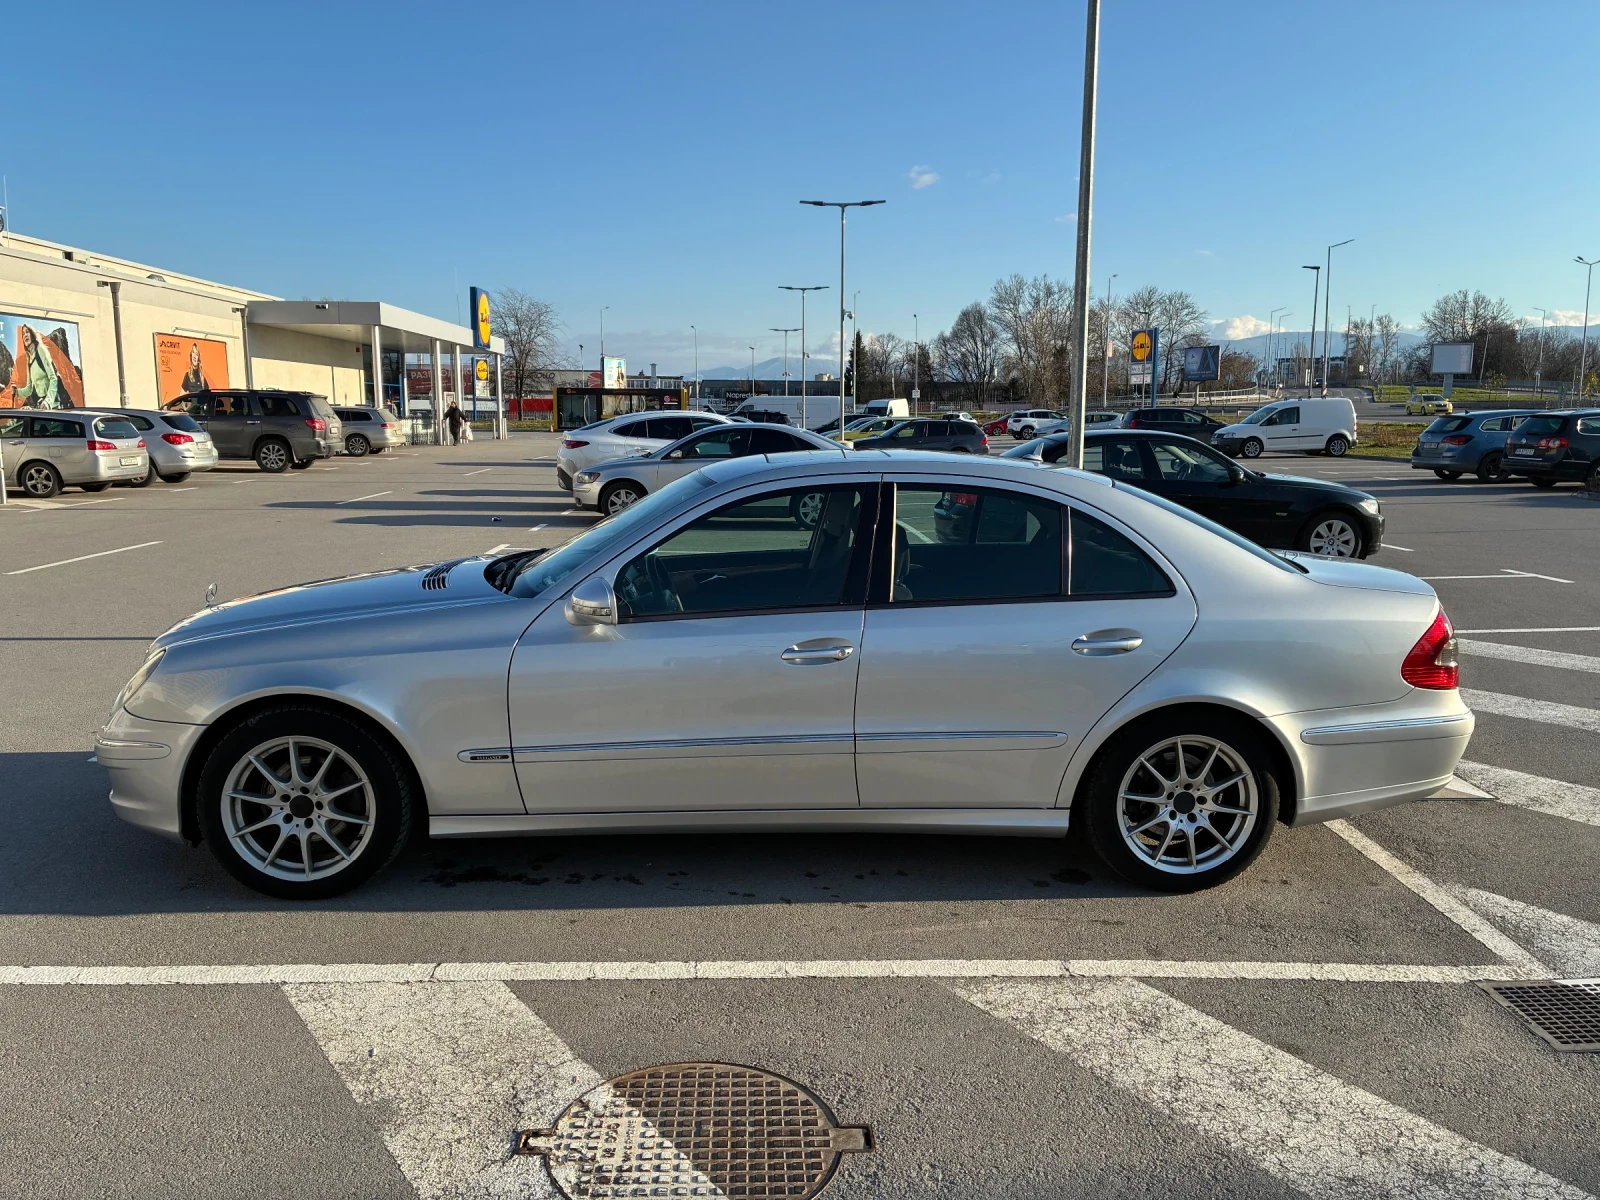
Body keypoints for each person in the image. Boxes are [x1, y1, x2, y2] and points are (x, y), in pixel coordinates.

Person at [1, 324, 85, 409]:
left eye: (27, 332)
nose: (25, 335)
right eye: (23, 334)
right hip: (41, 405)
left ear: (32, 335)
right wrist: (16, 392)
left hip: (53, 406)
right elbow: (29, 389)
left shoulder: (40, 350)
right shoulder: (29, 361)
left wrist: (48, 401)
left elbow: (53, 378)